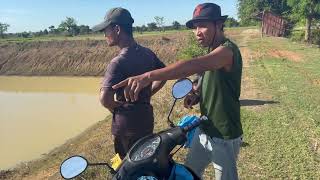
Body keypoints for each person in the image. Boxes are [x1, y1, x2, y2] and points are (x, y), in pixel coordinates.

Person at [112, 3, 243, 179]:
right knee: (189, 173)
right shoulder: (212, 51)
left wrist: (147, 77)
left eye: (203, 25)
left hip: (225, 133)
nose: (197, 32)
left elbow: (192, 65)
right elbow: (208, 80)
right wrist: (196, 94)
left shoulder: (227, 51)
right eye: (195, 27)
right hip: (205, 128)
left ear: (219, 24)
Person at [92, 7, 166, 159]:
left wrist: (118, 109)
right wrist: (148, 93)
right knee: (144, 160)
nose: (105, 35)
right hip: (146, 120)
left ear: (117, 29)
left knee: (126, 166)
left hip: (126, 128)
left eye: (106, 30)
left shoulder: (118, 62)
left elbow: (105, 99)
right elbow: (163, 75)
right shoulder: (147, 53)